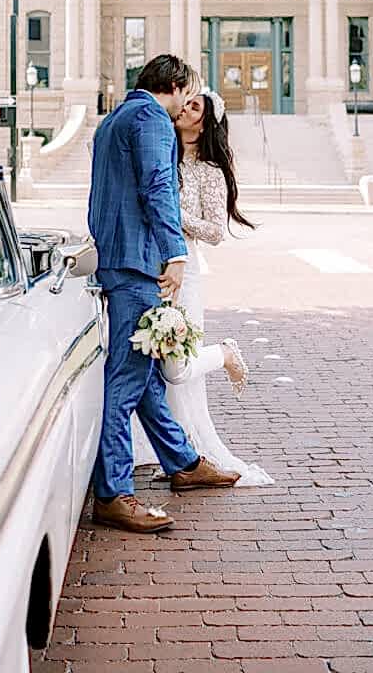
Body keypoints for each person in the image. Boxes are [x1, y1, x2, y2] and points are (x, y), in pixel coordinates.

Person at [88, 55, 242, 534]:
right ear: (174, 86)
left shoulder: (111, 120)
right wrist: (175, 254)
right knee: (127, 379)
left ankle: (183, 462)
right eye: (186, 93)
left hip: (116, 253)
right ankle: (113, 494)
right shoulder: (153, 119)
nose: (184, 108)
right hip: (141, 261)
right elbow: (158, 187)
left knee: (148, 369)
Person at [133, 87, 275, 488]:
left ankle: (225, 353)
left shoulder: (210, 171)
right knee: (151, 359)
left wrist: (173, 215)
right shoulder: (160, 154)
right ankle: (176, 452)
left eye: (194, 106)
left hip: (185, 268)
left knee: (177, 367)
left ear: (204, 121)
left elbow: (214, 232)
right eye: (186, 102)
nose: (185, 108)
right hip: (148, 263)